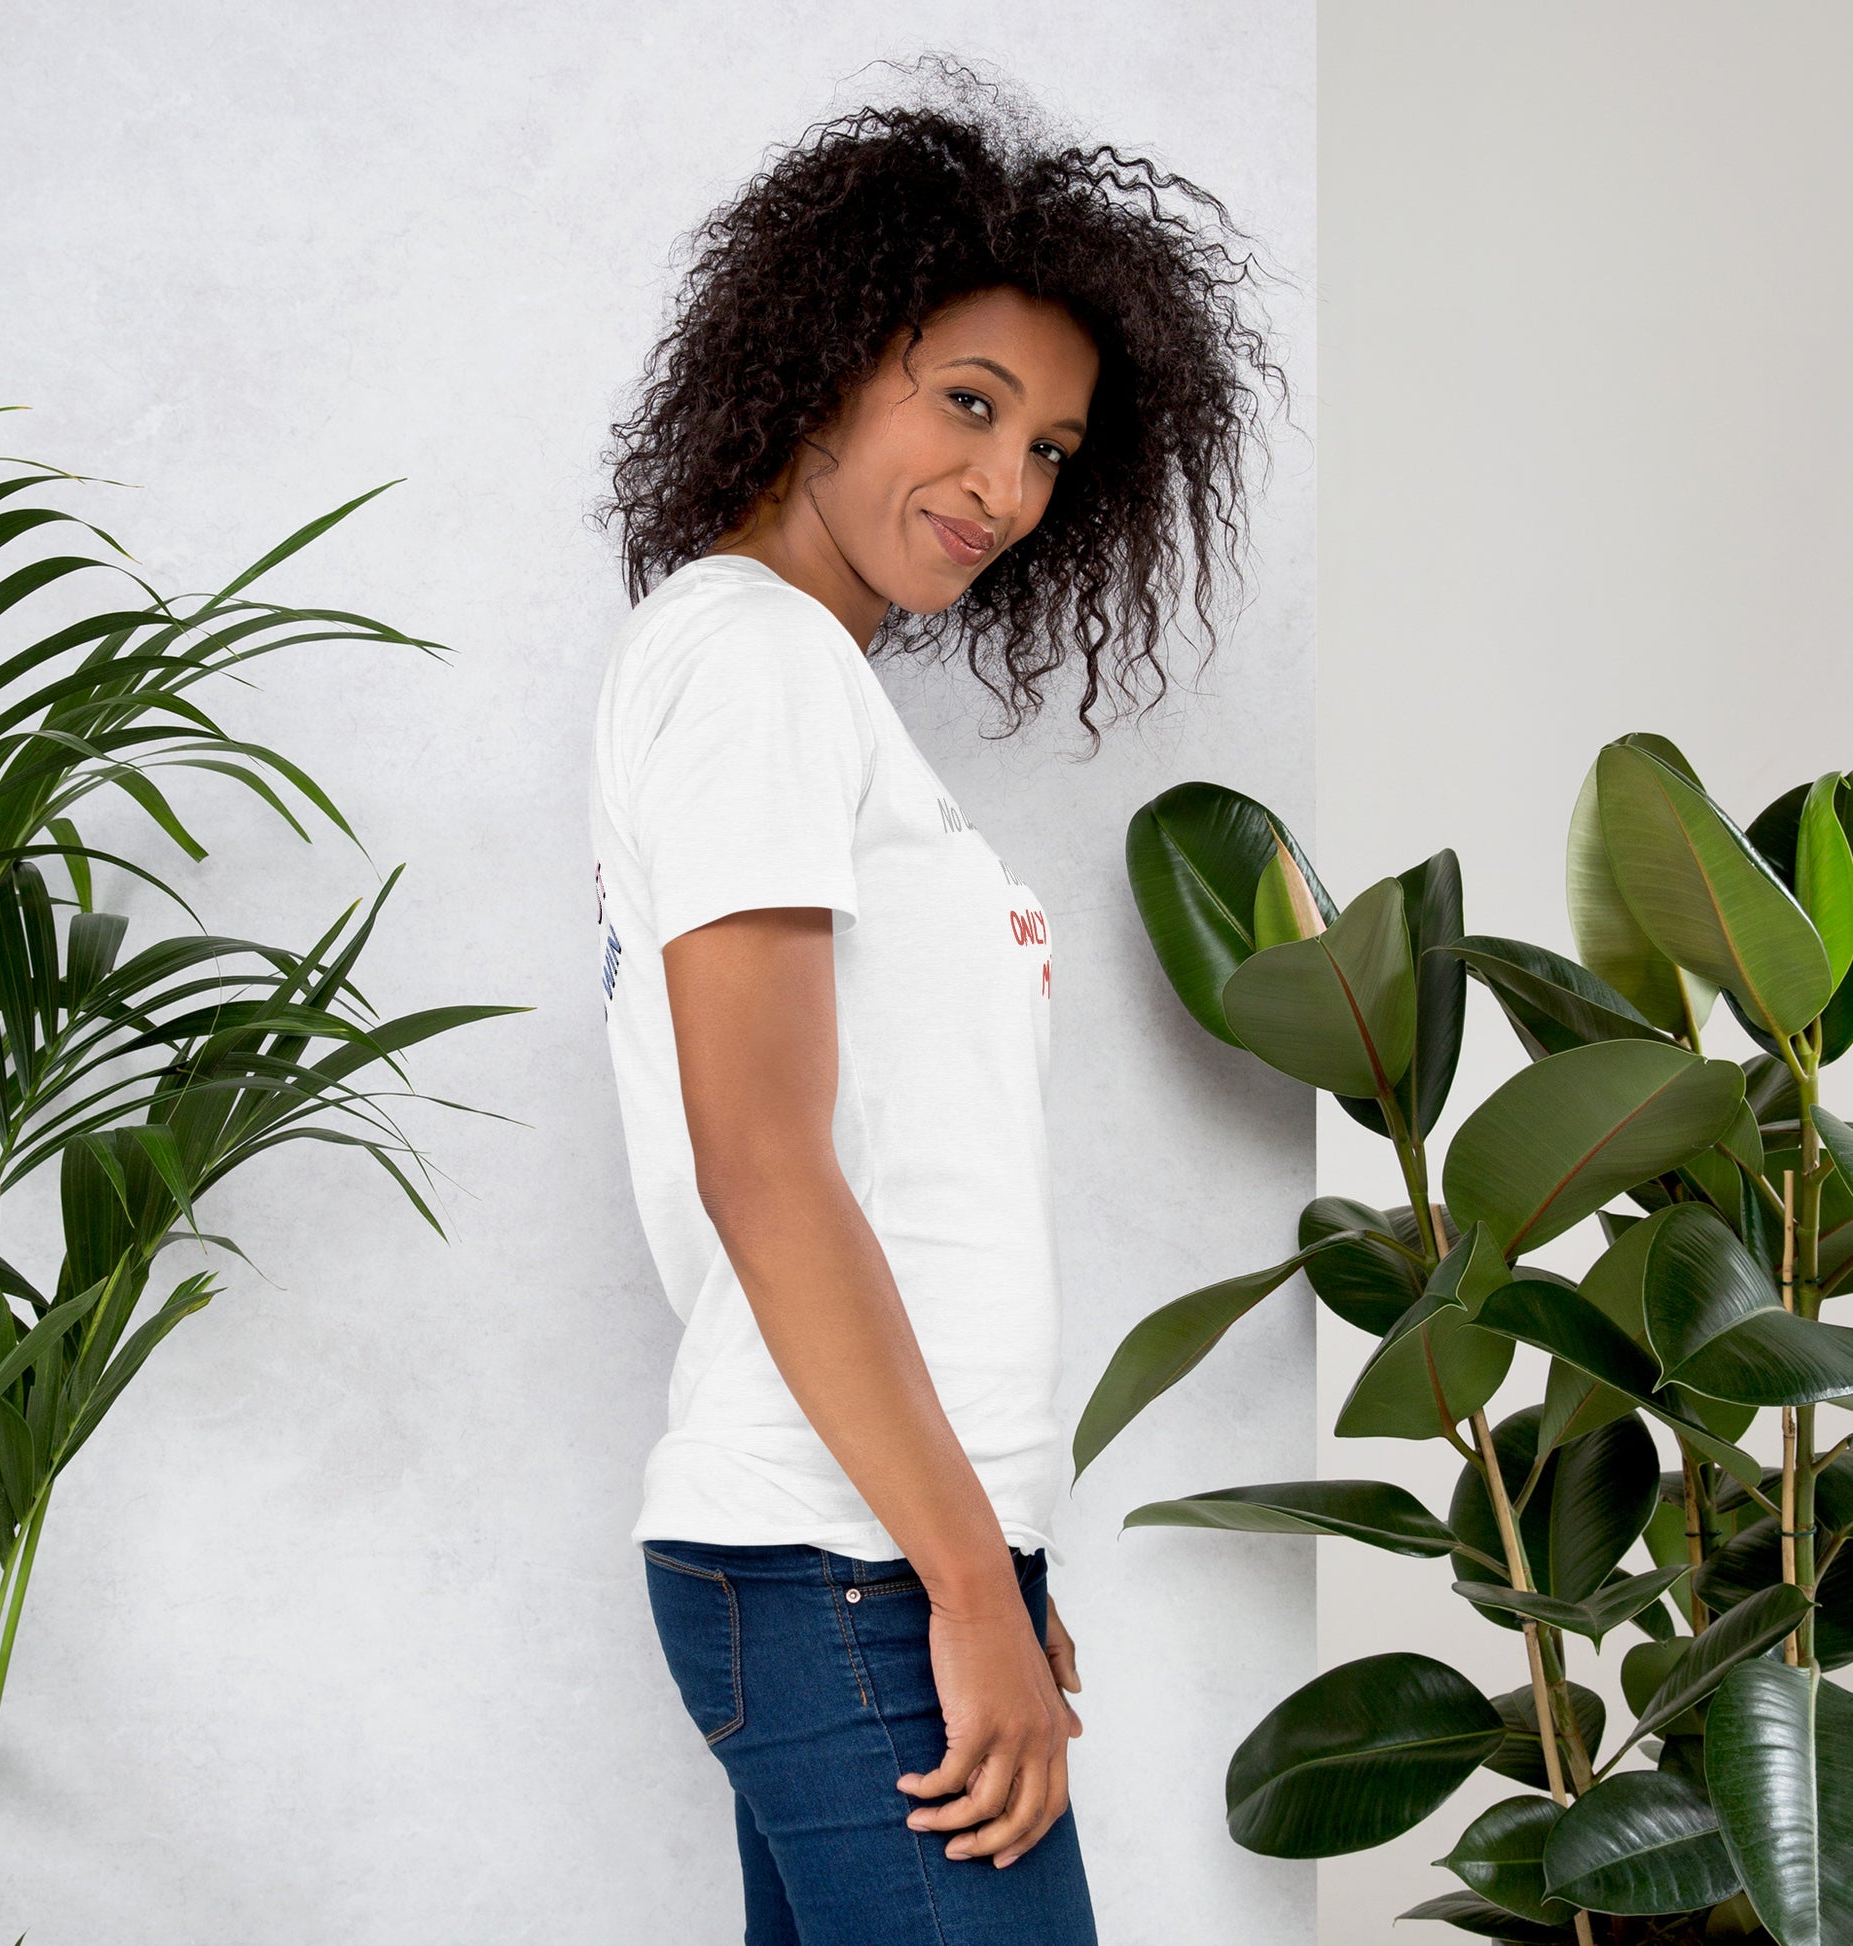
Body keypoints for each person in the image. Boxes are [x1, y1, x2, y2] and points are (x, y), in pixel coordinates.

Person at [587, 63, 1285, 1946]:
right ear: (820, 355)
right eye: (965, 404)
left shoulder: (798, 683)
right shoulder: (751, 668)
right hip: (837, 1559)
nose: (1001, 485)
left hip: (867, 1542)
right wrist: (959, 1582)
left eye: (1050, 447)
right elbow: (765, 1162)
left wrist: (983, 1549)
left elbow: (903, 1176)